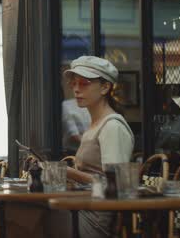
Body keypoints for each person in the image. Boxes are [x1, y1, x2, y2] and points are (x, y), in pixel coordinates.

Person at [64, 56, 134, 238]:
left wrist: (69, 173)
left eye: (84, 83)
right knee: (12, 210)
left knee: (18, 212)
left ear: (105, 87)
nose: (76, 89)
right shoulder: (95, 125)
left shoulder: (112, 126)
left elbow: (116, 184)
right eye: (74, 83)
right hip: (79, 206)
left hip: (94, 217)